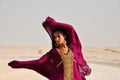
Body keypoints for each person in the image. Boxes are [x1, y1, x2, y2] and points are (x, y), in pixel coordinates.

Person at [8, 17, 91, 80]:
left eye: (59, 36)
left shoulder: (73, 47)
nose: (56, 39)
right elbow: (38, 62)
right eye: (54, 37)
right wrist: (19, 64)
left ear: (65, 36)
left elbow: (70, 28)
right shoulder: (53, 52)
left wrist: (54, 24)